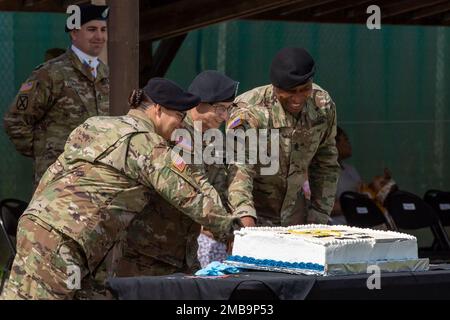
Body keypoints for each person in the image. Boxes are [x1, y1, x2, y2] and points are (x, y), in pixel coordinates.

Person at [0, 78, 245, 300]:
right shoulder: (148, 144)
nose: (180, 124)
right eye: (179, 116)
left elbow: (54, 174)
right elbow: (190, 195)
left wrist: (38, 215)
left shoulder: (95, 125)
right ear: (158, 110)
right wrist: (236, 231)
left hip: (40, 226)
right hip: (68, 239)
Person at [116, 71, 256, 277]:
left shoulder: (213, 139)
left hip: (184, 250)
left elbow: (222, 184)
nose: (225, 116)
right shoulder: (173, 131)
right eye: (219, 108)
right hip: (148, 247)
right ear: (199, 104)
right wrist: (230, 229)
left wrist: (241, 215)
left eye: (228, 110)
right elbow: (196, 185)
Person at [226, 47, 340, 226]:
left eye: (305, 89)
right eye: (290, 91)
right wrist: (244, 224)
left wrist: (319, 215)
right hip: (254, 214)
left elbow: (325, 162)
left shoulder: (322, 106)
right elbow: (239, 170)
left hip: (296, 215)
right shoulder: (249, 111)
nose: (298, 98)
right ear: (276, 87)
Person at [3, 4, 110, 189]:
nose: (99, 36)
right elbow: (15, 121)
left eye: (103, 30)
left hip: (99, 179)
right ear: (74, 33)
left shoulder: (109, 74)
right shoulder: (50, 73)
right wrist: (47, 154)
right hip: (59, 183)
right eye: (91, 29)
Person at [331, 126, 396, 228]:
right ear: (334, 144)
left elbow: (362, 194)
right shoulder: (323, 174)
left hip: (363, 223)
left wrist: (375, 188)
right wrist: (356, 201)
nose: (349, 143)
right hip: (341, 227)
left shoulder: (350, 169)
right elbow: (327, 209)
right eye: (346, 139)